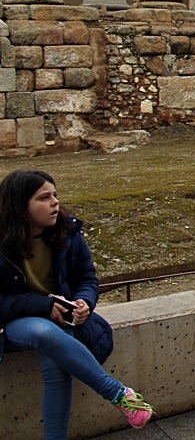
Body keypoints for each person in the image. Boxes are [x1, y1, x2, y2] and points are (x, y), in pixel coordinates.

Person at [0, 170, 154, 438]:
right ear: (19, 204)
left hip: (63, 318)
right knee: (43, 332)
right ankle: (118, 393)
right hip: (13, 321)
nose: (55, 203)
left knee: (56, 361)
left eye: (55, 195)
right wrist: (40, 307)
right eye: (44, 197)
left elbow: (86, 278)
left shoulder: (67, 231)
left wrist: (84, 302)